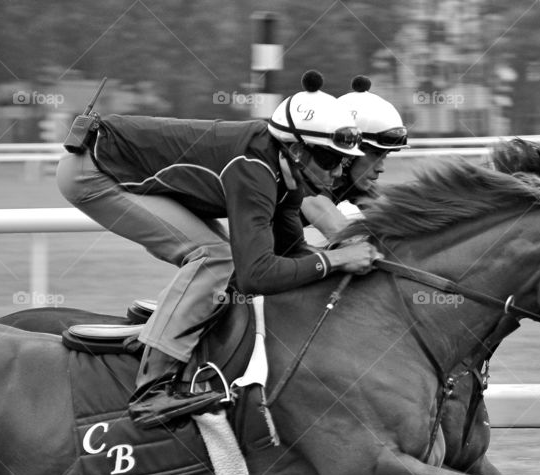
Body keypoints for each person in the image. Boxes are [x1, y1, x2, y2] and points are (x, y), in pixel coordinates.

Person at [56, 70, 381, 426]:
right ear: (299, 150)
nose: (337, 174)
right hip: (93, 172)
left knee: (221, 257)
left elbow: (290, 256)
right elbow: (256, 274)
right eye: (331, 160)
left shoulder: (286, 170)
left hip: (119, 163)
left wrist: (352, 268)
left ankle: (166, 332)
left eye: (344, 161)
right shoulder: (254, 169)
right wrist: (336, 258)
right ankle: (152, 391)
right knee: (215, 257)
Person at [301, 75, 408, 240]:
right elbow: (345, 239)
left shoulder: (353, 181)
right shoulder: (306, 179)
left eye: (385, 156)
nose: (381, 168)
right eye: (376, 154)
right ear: (347, 153)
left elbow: (399, 226)